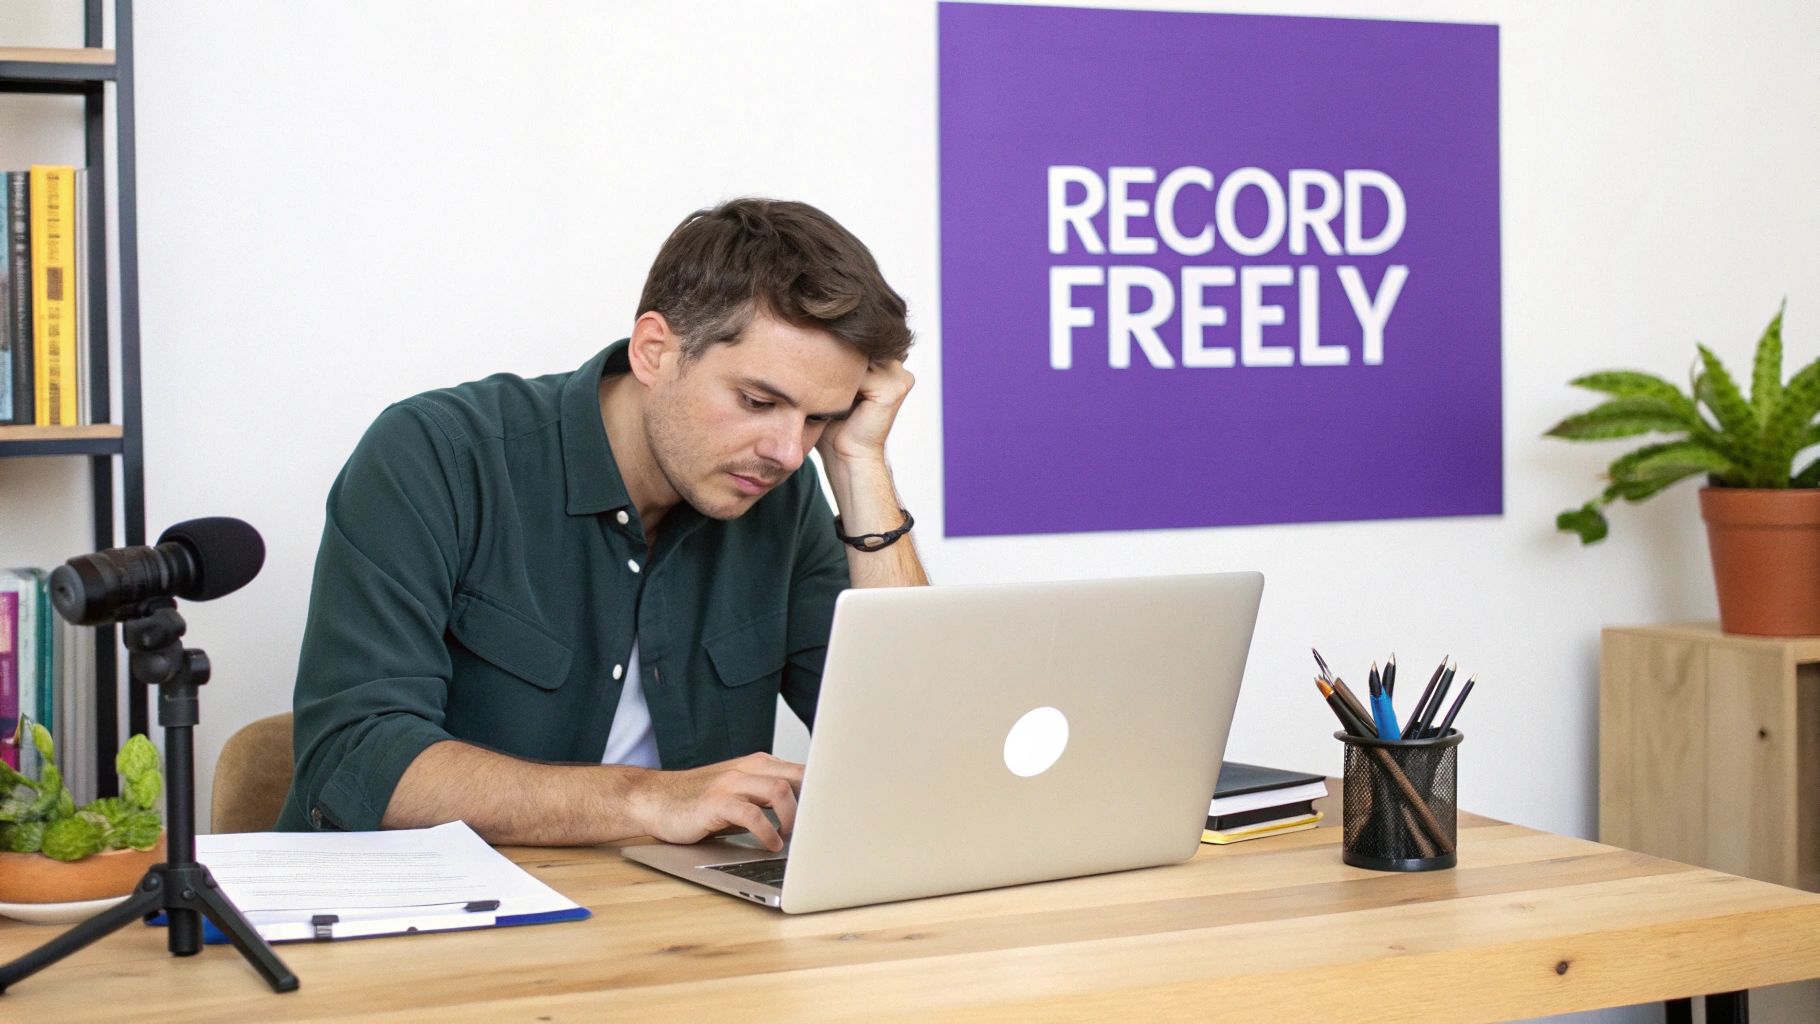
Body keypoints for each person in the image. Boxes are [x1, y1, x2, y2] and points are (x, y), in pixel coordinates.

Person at [276, 198, 927, 850]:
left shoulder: (783, 494)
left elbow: (912, 757)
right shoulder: (438, 456)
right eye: (759, 401)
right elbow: (356, 757)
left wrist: (859, 462)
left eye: (818, 418)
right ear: (653, 351)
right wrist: (651, 800)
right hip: (432, 925)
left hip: (673, 931)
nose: (788, 451)